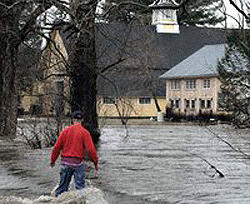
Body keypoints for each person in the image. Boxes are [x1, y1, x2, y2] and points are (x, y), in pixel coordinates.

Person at [50, 110, 98, 197]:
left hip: (65, 163)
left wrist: (52, 160)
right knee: (80, 190)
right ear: (82, 120)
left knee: (61, 189)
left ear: (72, 120)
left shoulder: (65, 131)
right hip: (78, 164)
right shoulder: (85, 133)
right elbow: (91, 150)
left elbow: (56, 147)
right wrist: (95, 163)